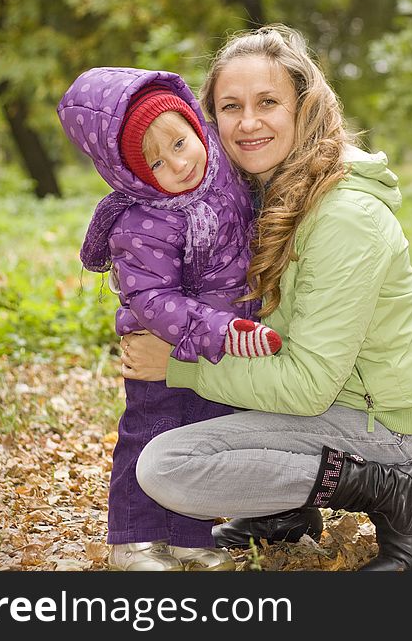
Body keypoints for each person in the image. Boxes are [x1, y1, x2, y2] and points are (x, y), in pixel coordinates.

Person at [121, 25, 412, 571]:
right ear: (209, 120)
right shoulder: (247, 197)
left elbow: (308, 385)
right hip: (327, 403)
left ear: (304, 108)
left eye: (267, 102)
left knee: (165, 467)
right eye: (230, 106)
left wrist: (177, 368)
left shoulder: (346, 218)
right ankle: (286, 512)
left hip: (384, 425)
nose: (248, 123)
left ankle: (395, 492)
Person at [57, 67, 284, 571]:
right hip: (165, 344)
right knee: (152, 432)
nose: (179, 164)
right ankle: (133, 538)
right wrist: (216, 330)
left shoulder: (225, 174)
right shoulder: (143, 220)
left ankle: (192, 538)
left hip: (218, 345)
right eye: (156, 162)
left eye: (181, 143)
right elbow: (151, 299)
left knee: (206, 438)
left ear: (195, 127)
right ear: (135, 176)